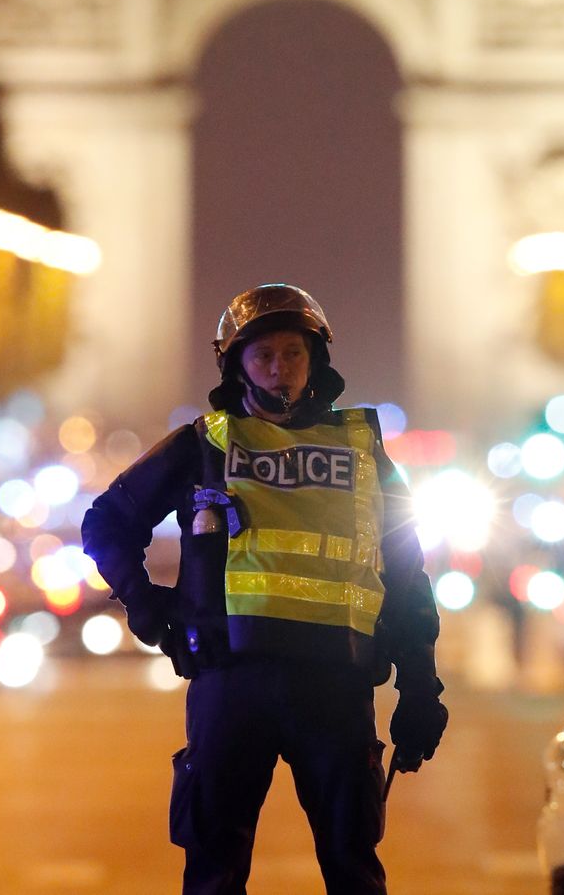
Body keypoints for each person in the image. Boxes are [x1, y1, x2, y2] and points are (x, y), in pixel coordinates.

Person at [81, 283, 447, 895]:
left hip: (335, 686)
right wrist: (152, 610)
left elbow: (407, 576)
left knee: (353, 870)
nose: (280, 367)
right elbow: (106, 523)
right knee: (214, 871)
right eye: (264, 355)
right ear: (236, 364)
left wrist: (421, 688)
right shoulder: (204, 445)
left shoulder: (361, 450)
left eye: (293, 353)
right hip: (231, 682)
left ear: (316, 361)